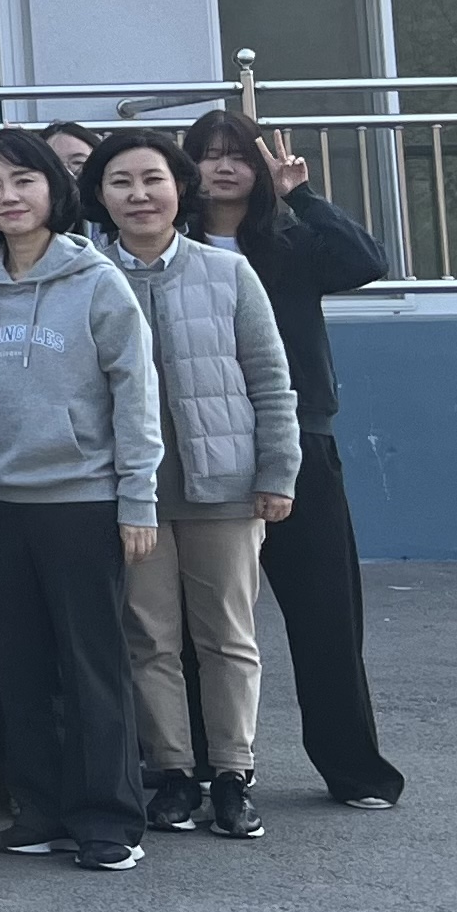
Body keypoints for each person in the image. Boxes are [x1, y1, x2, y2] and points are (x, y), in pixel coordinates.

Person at [0, 130, 163, 874]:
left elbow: (135, 394)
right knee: (20, 664)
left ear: (53, 189)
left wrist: (137, 499)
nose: (8, 197)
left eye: (23, 180)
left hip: (82, 499)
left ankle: (107, 819)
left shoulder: (98, 282)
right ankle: (38, 808)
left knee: (91, 664)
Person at [182, 108, 403, 812]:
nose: (223, 167)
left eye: (237, 155)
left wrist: (301, 195)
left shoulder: (291, 241)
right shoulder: (171, 246)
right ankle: (203, 767)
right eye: (208, 154)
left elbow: (367, 262)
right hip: (200, 446)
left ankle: (355, 769)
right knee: (199, 625)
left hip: (300, 441)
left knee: (326, 615)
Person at [86, 130, 299, 842]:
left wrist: (277, 471)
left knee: (228, 637)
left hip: (225, 486)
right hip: (132, 490)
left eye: (153, 179)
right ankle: (174, 771)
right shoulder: (87, 275)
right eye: (121, 182)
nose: (139, 195)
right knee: (148, 637)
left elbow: (270, 380)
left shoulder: (227, 272)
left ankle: (234, 773)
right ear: (100, 196)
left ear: (180, 187)